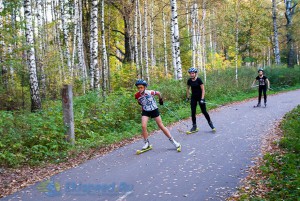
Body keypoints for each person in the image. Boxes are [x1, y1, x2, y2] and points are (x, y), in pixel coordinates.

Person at [134, 79, 181, 151]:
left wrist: (160, 100)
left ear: (145, 87)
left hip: (154, 109)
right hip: (145, 111)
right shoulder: (137, 95)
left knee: (161, 126)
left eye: (141, 87)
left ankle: (174, 141)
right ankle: (146, 143)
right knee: (143, 126)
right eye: (138, 88)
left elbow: (158, 93)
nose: (140, 89)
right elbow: (139, 101)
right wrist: (141, 103)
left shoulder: (150, 92)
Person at [186, 67, 215, 133]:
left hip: (200, 97)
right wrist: (187, 97)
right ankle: (194, 126)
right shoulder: (189, 80)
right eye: (190, 73)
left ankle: (210, 124)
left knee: (204, 111)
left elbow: (203, 90)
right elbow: (187, 89)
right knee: (193, 112)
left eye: (193, 73)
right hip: (193, 98)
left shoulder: (199, 80)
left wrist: (202, 99)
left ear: (195, 73)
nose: (191, 75)